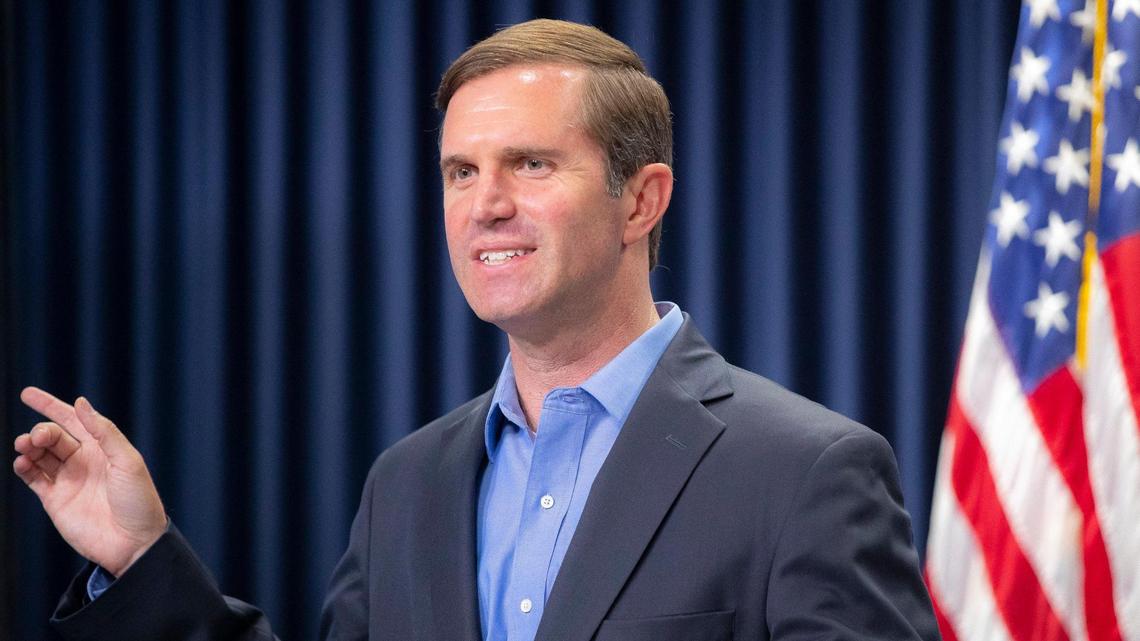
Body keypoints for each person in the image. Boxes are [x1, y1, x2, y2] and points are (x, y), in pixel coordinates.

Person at [12, 19, 940, 641]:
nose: (485, 205)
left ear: (641, 201)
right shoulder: (409, 481)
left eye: (530, 164)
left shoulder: (806, 472)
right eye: (460, 173)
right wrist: (141, 559)